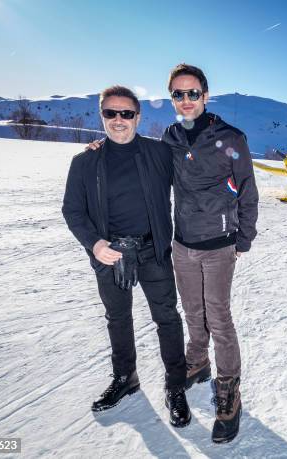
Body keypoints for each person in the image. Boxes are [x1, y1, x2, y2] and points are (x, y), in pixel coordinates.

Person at [62, 85, 191, 427]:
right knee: (117, 319)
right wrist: (95, 244)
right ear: (101, 115)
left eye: (126, 113)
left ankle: (176, 385)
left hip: (153, 250)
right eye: (111, 113)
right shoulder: (85, 162)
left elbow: (197, 168)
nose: (119, 120)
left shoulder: (159, 154)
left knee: (167, 317)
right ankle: (126, 378)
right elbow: (72, 210)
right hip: (110, 253)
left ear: (138, 117)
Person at [162, 63, 259, 443]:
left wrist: (243, 238)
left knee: (219, 317)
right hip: (182, 244)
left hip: (219, 245)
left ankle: (228, 390)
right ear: (172, 98)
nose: (185, 100)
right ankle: (198, 360)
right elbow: (141, 162)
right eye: (177, 94)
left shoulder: (231, 137)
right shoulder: (170, 137)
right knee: (193, 312)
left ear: (205, 95)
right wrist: (101, 148)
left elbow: (248, 190)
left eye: (192, 93)